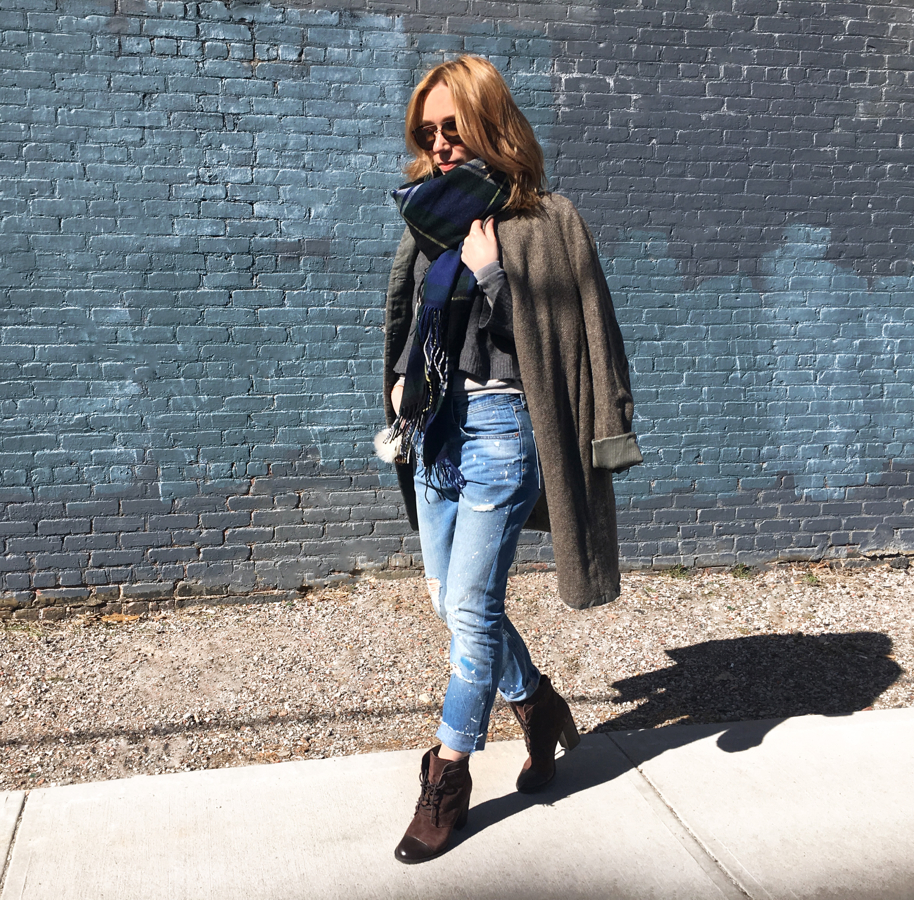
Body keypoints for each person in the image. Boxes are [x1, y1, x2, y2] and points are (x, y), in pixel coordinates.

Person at [378, 55, 643, 864]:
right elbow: (417, 324)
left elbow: (577, 335)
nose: (440, 144)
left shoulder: (548, 220)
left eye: (452, 127)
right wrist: (401, 381)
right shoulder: (428, 219)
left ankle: (448, 776)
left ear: (492, 122)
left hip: (503, 433)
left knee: (469, 613)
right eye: (428, 132)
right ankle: (538, 706)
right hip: (438, 432)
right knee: (450, 601)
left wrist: (495, 280)